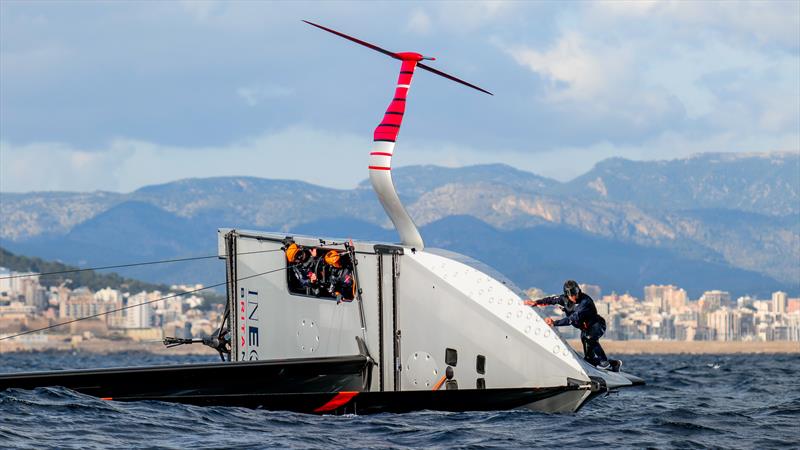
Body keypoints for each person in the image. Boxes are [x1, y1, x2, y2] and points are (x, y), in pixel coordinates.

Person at [525, 280, 611, 369]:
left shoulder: (585, 302)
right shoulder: (564, 299)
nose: (575, 296)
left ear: (578, 291)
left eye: (576, 294)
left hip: (597, 325)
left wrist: (555, 323)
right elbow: (551, 300)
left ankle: (604, 362)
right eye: (572, 295)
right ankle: (612, 365)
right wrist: (536, 302)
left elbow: (571, 319)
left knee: (589, 338)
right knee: (589, 358)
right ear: (567, 294)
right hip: (586, 329)